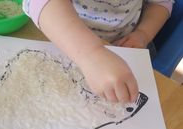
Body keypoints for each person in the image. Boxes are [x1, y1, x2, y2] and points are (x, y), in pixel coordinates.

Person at [22, 0, 173, 103]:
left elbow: (160, 2)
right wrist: (92, 54)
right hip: (69, 39)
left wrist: (143, 34)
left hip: (128, 44)